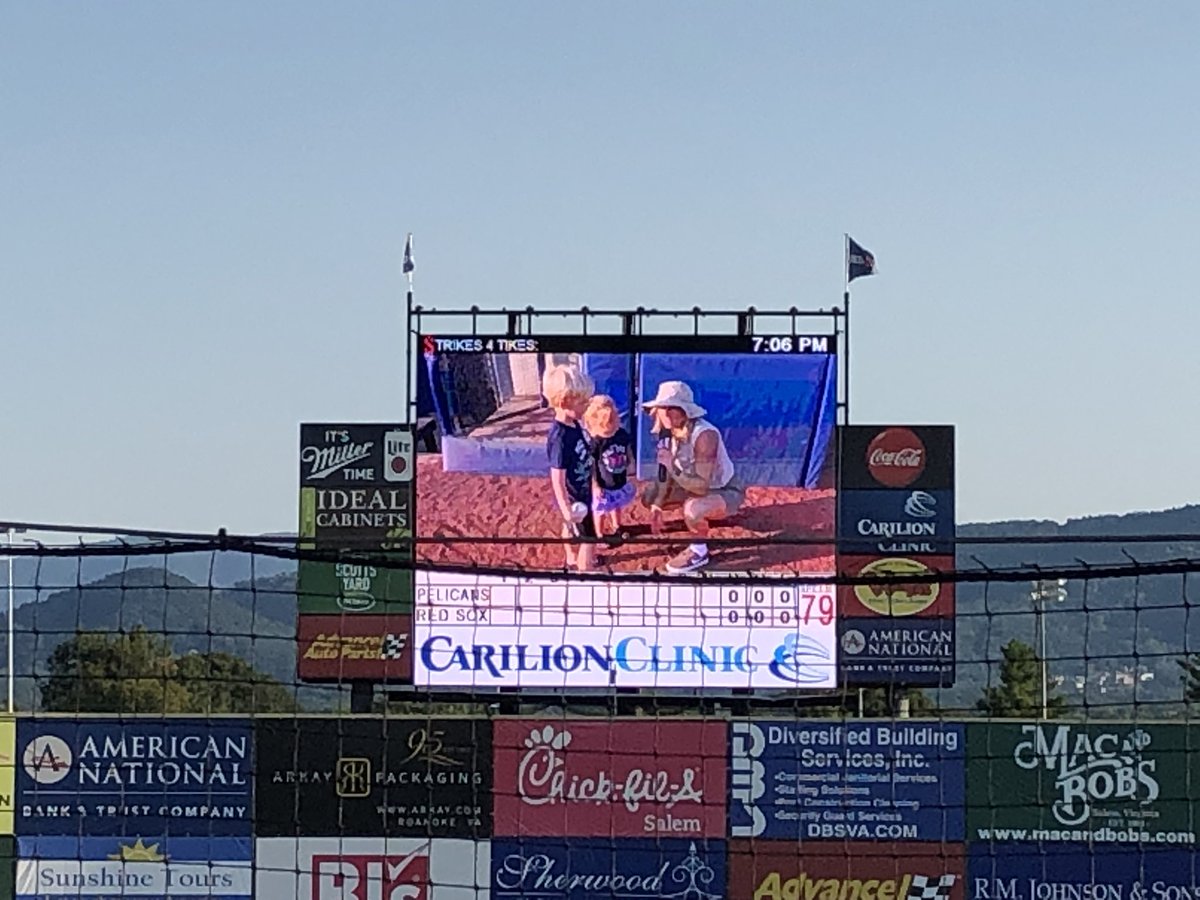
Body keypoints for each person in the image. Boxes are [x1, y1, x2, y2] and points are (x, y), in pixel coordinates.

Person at [640, 380, 745, 574]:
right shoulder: (668, 432)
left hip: (724, 490)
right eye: (664, 408)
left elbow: (701, 488)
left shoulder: (705, 436)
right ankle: (699, 517)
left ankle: (699, 550)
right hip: (689, 482)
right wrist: (658, 504)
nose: (667, 413)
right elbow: (665, 474)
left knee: (693, 508)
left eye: (674, 408)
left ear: (686, 410)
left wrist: (671, 465)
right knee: (651, 496)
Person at [542, 363, 597, 571]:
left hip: (582, 489)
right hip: (575, 497)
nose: (586, 406)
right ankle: (586, 573)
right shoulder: (559, 438)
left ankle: (571, 557)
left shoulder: (574, 423)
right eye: (582, 402)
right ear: (565, 402)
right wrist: (567, 510)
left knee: (574, 528)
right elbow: (557, 479)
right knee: (588, 538)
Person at [582, 394, 636, 537]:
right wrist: (595, 485)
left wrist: (631, 463)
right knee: (600, 509)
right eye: (605, 430)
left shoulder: (621, 434)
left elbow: (628, 448)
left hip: (618, 479)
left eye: (612, 427)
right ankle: (599, 533)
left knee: (616, 504)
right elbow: (591, 465)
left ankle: (617, 525)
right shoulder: (596, 442)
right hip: (603, 483)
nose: (609, 432)